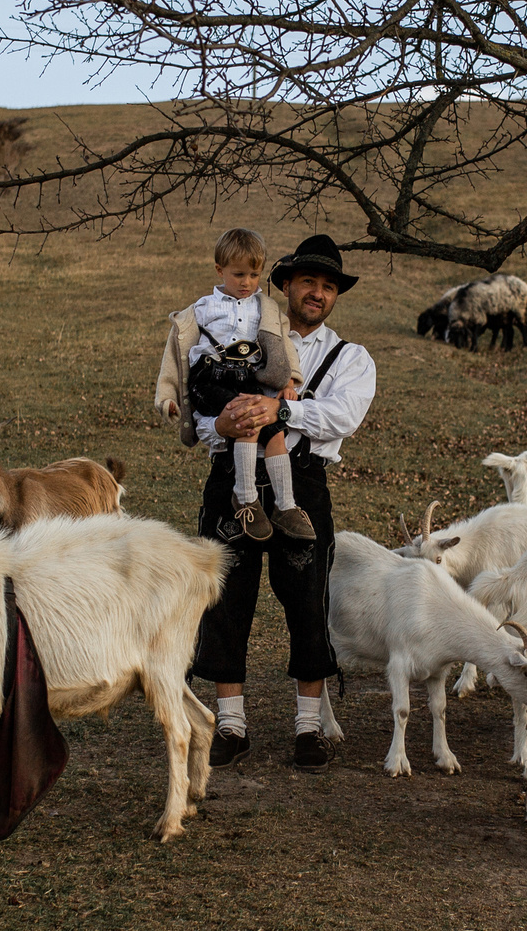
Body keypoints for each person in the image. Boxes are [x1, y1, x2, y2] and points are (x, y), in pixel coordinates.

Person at [188, 235, 378, 771]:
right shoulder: (237, 332)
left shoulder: (351, 357)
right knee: (227, 597)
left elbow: (344, 416)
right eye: (308, 282)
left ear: (335, 296)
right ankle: (230, 724)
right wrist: (217, 424)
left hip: (303, 482)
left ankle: (309, 727)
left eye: (328, 286)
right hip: (233, 475)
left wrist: (282, 413)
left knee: (306, 599)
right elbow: (200, 397)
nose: (317, 293)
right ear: (287, 285)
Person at [157, 227, 310, 543]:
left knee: (276, 432)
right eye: (239, 274)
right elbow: (175, 356)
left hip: (246, 378)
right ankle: (246, 498)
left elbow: (284, 343)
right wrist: (167, 397)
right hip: (209, 378)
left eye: (254, 275)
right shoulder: (201, 309)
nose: (247, 283)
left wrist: (290, 379)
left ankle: (285, 505)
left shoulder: (264, 308)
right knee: (246, 420)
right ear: (219, 270)